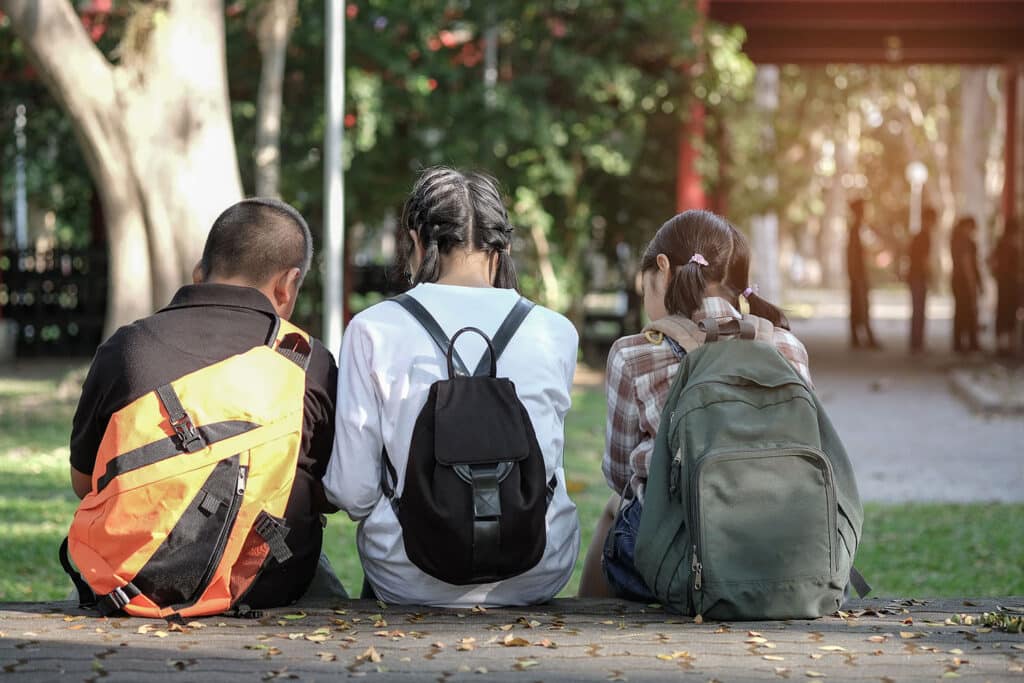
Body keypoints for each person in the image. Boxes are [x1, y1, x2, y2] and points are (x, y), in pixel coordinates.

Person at [322, 167, 580, 607]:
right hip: (537, 568)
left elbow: (353, 492)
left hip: (408, 575)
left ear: (417, 242)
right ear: (503, 248)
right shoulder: (554, 331)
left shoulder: (373, 329)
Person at [69, 198, 341, 607]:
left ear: (200, 272)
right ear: (287, 284)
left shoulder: (126, 348)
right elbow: (325, 492)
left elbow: (83, 482)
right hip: (266, 584)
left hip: (132, 584)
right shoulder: (307, 360)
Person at [577, 209, 813, 599]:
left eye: (644, 288)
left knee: (616, 506)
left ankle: (584, 625)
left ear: (664, 268)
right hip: (779, 551)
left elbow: (620, 473)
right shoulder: (786, 346)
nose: (646, 300)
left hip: (678, 565)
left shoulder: (633, 353)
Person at [847, 199, 881, 349]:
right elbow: (853, 255)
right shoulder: (856, 229)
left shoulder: (858, 228)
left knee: (858, 307)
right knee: (861, 307)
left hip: (858, 274)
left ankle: (857, 337)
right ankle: (866, 337)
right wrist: (855, 275)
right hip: (858, 275)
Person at [950, 216, 983, 353]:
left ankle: (960, 342)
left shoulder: (955, 240)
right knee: (968, 311)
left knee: (961, 311)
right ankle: (970, 343)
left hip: (958, 280)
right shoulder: (964, 241)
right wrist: (972, 283)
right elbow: (967, 263)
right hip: (963, 281)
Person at [988, 217, 1021, 355]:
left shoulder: (1000, 243)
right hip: (1011, 283)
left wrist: (996, 274)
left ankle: (1002, 344)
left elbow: (990, 260)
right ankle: (1009, 345)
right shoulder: (1012, 246)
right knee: (1009, 313)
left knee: (1003, 312)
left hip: (1003, 283)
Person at [907, 207, 936, 353]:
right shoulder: (924, 237)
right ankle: (917, 343)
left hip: (914, 276)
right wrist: (930, 275)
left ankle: (916, 341)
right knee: (919, 309)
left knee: (918, 309)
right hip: (919, 277)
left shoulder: (918, 236)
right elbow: (925, 260)